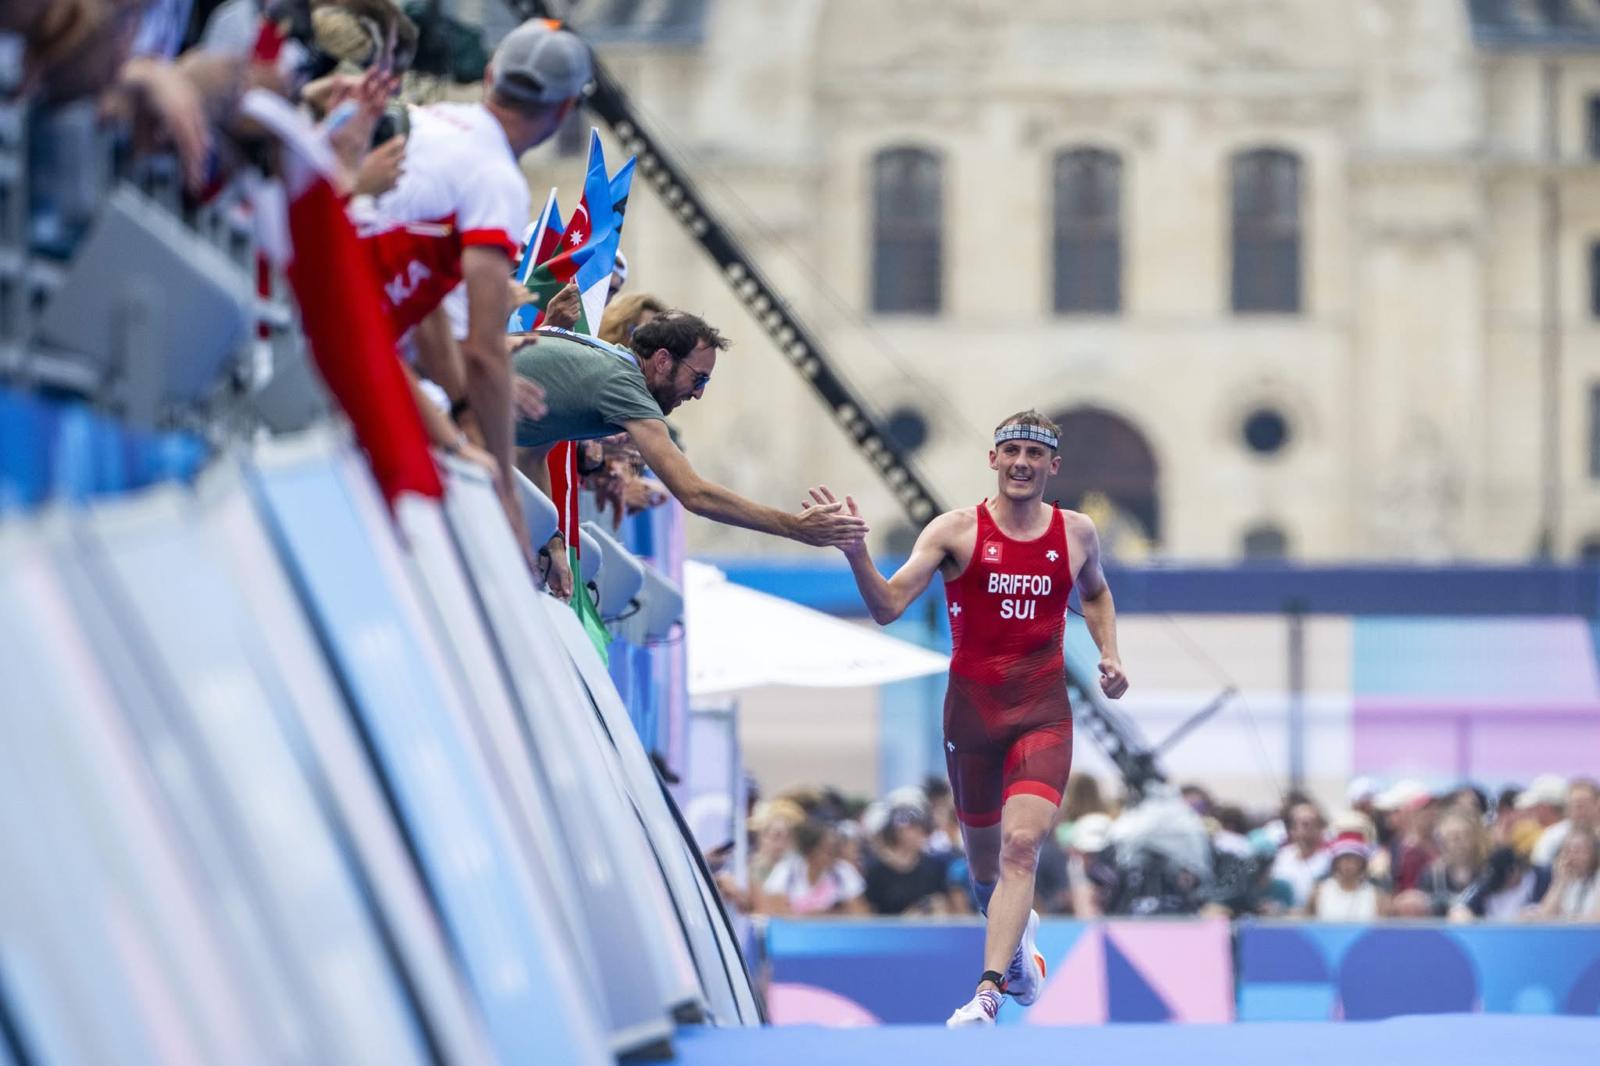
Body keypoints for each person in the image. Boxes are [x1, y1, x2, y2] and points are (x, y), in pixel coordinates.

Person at [817, 409, 1129, 1027]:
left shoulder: (1077, 533)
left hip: (1042, 716)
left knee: (1022, 848)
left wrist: (1110, 653)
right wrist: (856, 553)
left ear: (1051, 467)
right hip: (972, 723)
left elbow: (1092, 591)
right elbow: (887, 606)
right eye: (1010, 451)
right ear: (993, 459)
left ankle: (987, 992)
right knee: (987, 874)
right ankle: (1019, 956)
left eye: (1034, 455)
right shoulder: (954, 531)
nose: (1021, 463)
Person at [373, 18, 592, 557]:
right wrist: (508, 495)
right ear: (564, 109)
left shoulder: (424, 124)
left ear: (491, 75)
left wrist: (463, 402)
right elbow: (486, 352)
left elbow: (429, 316)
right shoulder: (495, 179)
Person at [512, 311, 868, 594]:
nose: (698, 394)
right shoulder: (623, 383)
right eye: (698, 379)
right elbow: (694, 494)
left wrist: (552, 542)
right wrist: (794, 527)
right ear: (663, 361)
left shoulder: (607, 364)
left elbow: (531, 455)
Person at [1309, 833, 1387, 921]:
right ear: (1336, 862)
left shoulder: (1376, 895)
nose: (1348, 863)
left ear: (1362, 863)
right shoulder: (1319, 891)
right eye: (1344, 857)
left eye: (1353, 858)